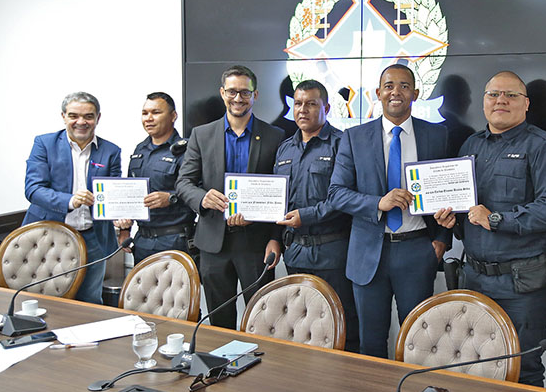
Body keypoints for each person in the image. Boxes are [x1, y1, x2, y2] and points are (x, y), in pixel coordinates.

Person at [434, 71, 546, 386]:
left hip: (522, 285)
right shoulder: (471, 144)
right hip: (475, 278)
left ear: (526, 104)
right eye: (493, 94)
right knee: (476, 364)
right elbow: (465, 207)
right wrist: (451, 221)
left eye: (510, 95)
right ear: (483, 102)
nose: (501, 101)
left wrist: (497, 219)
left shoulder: (544, 147)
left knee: (522, 370)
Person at [328, 64, 450, 358]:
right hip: (369, 252)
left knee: (419, 341)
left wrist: (442, 240)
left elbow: (448, 191)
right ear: (378, 93)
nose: (396, 92)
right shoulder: (354, 137)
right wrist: (377, 203)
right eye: (389, 86)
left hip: (417, 249)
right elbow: (336, 193)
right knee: (371, 344)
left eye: (404, 86)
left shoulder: (437, 136)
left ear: (416, 94)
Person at [176, 65, 284, 329]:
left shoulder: (275, 136)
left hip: (256, 244)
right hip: (213, 243)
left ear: (255, 95)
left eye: (245, 92)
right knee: (219, 319)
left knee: (262, 319)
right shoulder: (201, 135)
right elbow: (183, 183)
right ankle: (222, 367)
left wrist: (275, 237)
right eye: (232, 92)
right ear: (223, 93)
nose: (238, 98)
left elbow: (283, 193)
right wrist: (202, 198)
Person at [265, 80, 359, 352]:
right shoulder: (284, 149)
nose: (302, 110)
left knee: (342, 324)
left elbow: (344, 198)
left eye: (311, 104)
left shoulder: (343, 144)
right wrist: (274, 238)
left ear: (326, 107)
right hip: (295, 253)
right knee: (300, 323)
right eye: (297, 103)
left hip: (333, 252)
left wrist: (306, 216)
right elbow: (278, 201)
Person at [23, 92, 122, 304]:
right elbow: (33, 189)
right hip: (48, 235)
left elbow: (114, 193)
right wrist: (70, 200)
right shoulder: (44, 144)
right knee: (46, 298)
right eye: (74, 115)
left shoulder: (111, 151)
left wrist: (121, 214)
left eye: (88, 116)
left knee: (90, 300)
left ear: (98, 118)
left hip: (93, 238)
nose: (81, 122)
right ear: (63, 116)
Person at [114, 93, 195, 263]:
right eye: (145, 113)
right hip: (142, 240)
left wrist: (171, 198)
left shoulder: (188, 150)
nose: (149, 118)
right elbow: (129, 194)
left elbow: (199, 192)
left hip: (175, 239)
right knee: (141, 290)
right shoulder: (140, 150)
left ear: (173, 116)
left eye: (156, 112)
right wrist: (125, 231)